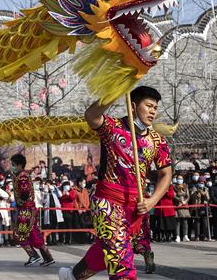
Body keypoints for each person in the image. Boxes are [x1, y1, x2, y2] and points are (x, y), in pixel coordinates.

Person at [59, 86, 173, 280]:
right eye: (149, 106)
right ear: (134, 105)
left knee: (105, 251)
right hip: (108, 203)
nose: (153, 111)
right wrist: (117, 89)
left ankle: (72, 276)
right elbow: (92, 115)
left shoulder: (156, 140)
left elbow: (166, 174)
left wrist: (152, 201)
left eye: (155, 107)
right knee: (121, 260)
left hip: (136, 205)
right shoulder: (112, 127)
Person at [9, 153, 55, 266]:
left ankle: (33, 256)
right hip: (29, 209)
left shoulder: (22, 176)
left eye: (13, 164)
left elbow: (24, 192)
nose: (12, 166)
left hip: (25, 210)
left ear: (20, 165)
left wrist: (20, 201)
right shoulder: (19, 175)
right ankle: (48, 258)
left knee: (18, 234)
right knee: (34, 234)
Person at [173, 175, 191, 242]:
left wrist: (184, 201)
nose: (179, 180)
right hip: (177, 204)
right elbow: (174, 196)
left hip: (184, 205)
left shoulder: (186, 186)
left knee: (185, 221)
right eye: (178, 178)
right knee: (177, 221)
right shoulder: (174, 187)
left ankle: (185, 235)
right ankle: (177, 236)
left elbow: (188, 196)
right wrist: (180, 201)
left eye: (181, 178)